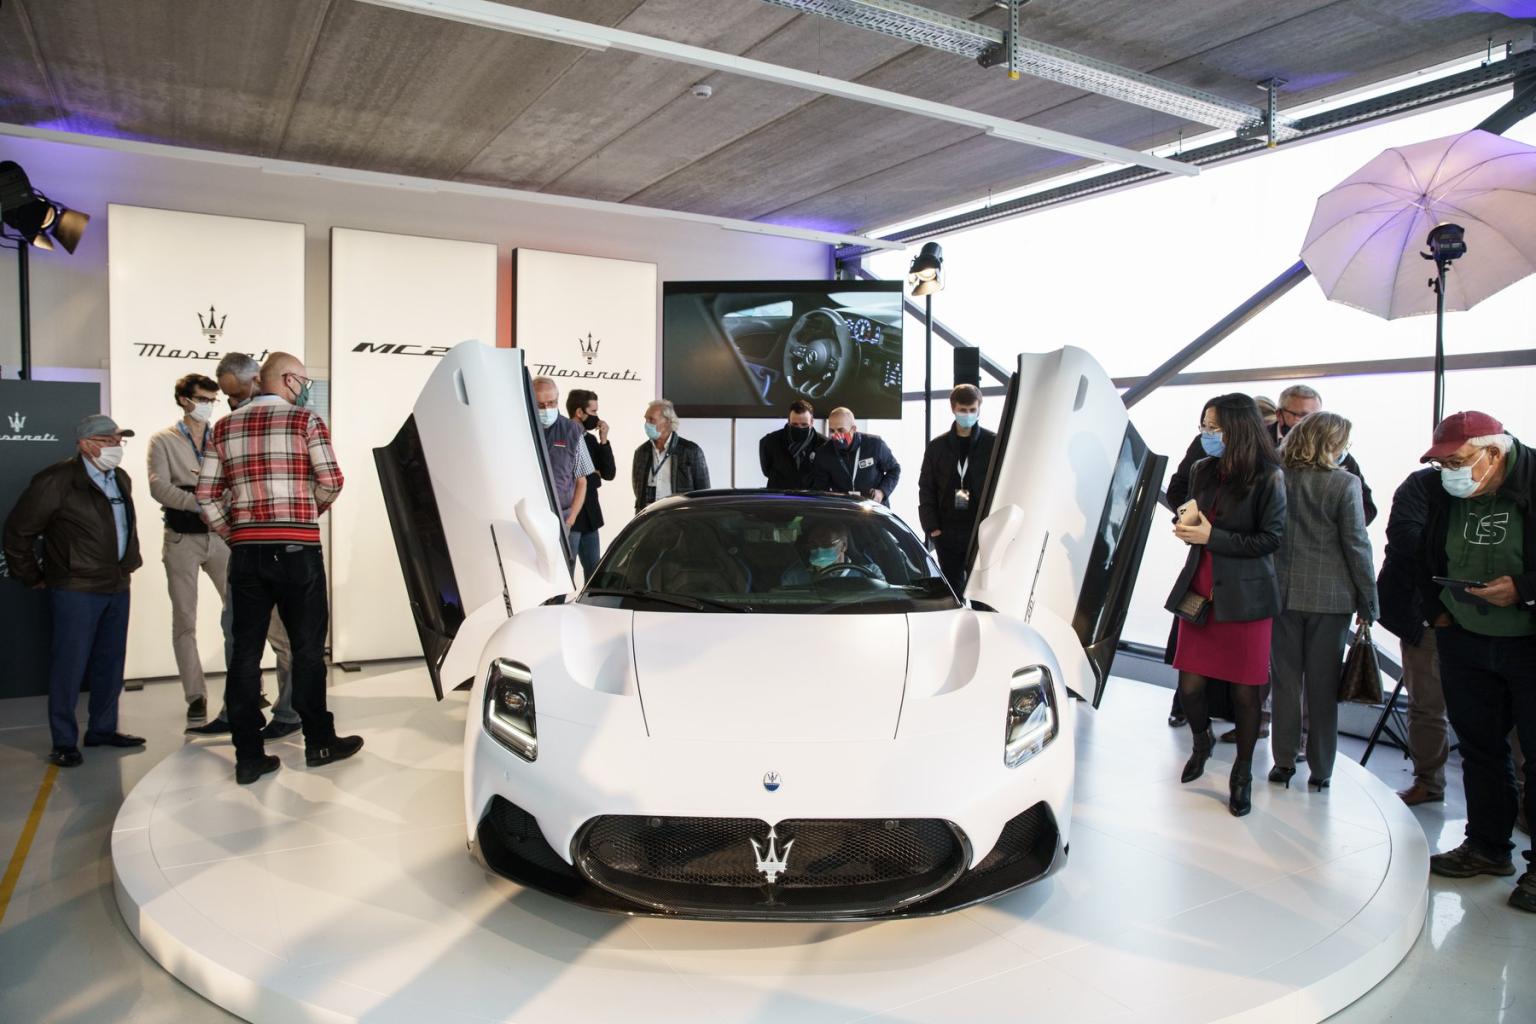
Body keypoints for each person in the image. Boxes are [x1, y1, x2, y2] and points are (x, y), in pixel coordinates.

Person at [197, 352, 361, 785]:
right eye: (303, 380)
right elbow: (332, 481)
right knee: (307, 650)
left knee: (245, 654)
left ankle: (249, 756)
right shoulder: (305, 421)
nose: (305, 388)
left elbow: (206, 495)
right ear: (288, 380)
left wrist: (234, 533)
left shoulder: (223, 427)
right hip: (297, 551)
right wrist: (305, 514)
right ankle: (319, 742)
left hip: (247, 554)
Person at [1414, 411, 1535, 912]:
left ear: (1493, 452)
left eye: (1458, 461)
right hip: (1465, 638)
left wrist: (1524, 589)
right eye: (1443, 464)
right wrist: (1438, 612)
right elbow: (1422, 551)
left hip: (1527, 641)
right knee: (1480, 749)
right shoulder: (1443, 491)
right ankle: (1486, 846)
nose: (1451, 472)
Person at [1165, 393, 1286, 818]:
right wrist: (1187, 525)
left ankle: (1243, 772)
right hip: (1200, 587)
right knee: (1190, 687)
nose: (1207, 434)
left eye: (1214, 427)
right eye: (1204, 426)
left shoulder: (1269, 476)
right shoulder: (1202, 468)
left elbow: (1270, 539)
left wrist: (1211, 537)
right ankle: (1202, 742)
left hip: (1246, 597)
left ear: (1238, 427)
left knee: (1246, 694)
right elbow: (1191, 512)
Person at [3, 414, 146, 766]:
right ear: (86, 445)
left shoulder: (120, 478)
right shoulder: (56, 480)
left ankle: (103, 729)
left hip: (117, 583)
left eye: (119, 441)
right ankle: (64, 741)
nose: (116, 447)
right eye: (108, 441)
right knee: (69, 665)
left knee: (111, 662)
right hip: (76, 587)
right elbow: (18, 532)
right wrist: (31, 575)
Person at [1269, 411, 1379, 791]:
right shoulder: (1345, 483)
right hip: (1331, 600)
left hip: (1280, 595)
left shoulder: (1276, 477)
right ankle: (1321, 770)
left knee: (1284, 683)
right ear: (1332, 444)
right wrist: (1369, 601)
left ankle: (1283, 762)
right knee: (1322, 688)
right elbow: (1357, 544)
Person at [147, 373, 228, 722]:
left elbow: (232, 481)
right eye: (203, 399)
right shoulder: (163, 440)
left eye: (213, 400)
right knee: (184, 618)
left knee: (239, 612)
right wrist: (199, 503)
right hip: (182, 539)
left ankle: (247, 687)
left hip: (220, 537)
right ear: (185, 400)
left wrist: (211, 502)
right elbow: (159, 487)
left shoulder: (221, 437)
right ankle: (195, 695)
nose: (209, 406)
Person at [918, 384, 995, 592]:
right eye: (963, 410)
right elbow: (926, 487)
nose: (968, 414)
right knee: (953, 591)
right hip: (947, 530)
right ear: (953, 408)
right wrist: (932, 528)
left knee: (982, 591)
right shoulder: (937, 446)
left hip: (981, 529)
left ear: (979, 409)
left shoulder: (993, 443)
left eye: (972, 410)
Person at [1271, 384, 1377, 524]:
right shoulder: (1259, 444)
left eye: (1315, 417)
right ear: (1279, 415)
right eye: (1301, 416)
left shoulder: (1338, 454)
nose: (1310, 423)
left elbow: (1367, 508)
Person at [531, 376, 594, 539]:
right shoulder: (520, 426)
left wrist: (571, 518)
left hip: (561, 517)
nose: (547, 409)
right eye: (540, 405)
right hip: (527, 516)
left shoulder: (572, 431)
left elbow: (582, 481)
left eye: (552, 403)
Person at [566, 388, 616, 579]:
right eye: (593, 411)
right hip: (571, 516)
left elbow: (608, 473)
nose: (597, 417)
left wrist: (604, 439)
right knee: (567, 571)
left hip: (590, 516)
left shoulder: (591, 439)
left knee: (594, 571)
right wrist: (592, 475)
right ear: (579, 412)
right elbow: (580, 478)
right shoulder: (565, 437)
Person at [809, 407, 900, 506]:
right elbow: (820, 488)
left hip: (874, 507)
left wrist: (882, 492)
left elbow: (894, 469)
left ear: (853, 429)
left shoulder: (875, 445)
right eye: (832, 431)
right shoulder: (823, 453)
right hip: (844, 509)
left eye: (841, 430)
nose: (836, 435)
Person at [632, 399, 709, 511]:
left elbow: (704, 493)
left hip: (679, 517)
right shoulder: (641, 452)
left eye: (651, 420)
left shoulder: (690, 451)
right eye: (646, 419)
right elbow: (638, 491)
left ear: (667, 422)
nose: (646, 424)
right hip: (650, 518)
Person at [780, 521, 885, 586]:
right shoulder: (794, 577)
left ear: (844, 546)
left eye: (826, 543)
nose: (819, 548)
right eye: (813, 544)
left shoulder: (869, 573)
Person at [759, 400, 825, 490]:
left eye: (804, 424)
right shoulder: (770, 441)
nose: (799, 428)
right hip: (778, 496)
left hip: (811, 497)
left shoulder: (823, 444)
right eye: (795, 424)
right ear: (788, 421)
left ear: (812, 422)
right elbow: (767, 471)